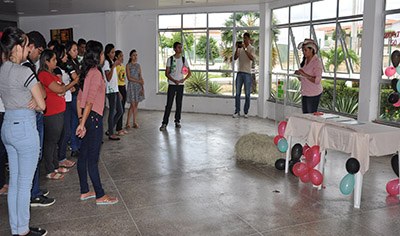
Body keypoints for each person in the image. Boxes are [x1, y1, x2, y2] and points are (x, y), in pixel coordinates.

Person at [0, 26, 48, 236]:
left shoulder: (2, 69)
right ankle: (24, 231)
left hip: (8, 125)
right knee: (24, 184)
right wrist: (34, 103)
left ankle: (16, 228)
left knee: (15, 182)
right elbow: (42, 104)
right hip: (24, 129)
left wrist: (30, 101)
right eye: (25, 45)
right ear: (18, 47)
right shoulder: (24, 71)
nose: (28, 50)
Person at [76, 40, 118, 205]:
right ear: (96, 55)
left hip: (87, 118)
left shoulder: (86, 72)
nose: (103, 56)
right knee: (92, 159)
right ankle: (100, 195)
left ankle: (85, 191)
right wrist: (83, 122)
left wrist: (81, 120)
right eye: (101, 53)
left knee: (84, 157)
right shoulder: (95, 72)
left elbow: (80, 98)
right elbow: (89, 101)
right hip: (93, 119)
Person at [23, 31, 56, 207]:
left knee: (35, 156)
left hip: (31, 114)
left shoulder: (26, 66)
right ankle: (33, 193)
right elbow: (41, 96)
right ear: (30, 47)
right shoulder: (25, 67)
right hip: (30, 116)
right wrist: (39, 96)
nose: (39, 55)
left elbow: (41, 93)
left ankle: (34, 189)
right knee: (33, 156)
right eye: (39, 50)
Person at [38, 49, 68, 180]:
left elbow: (62, 88)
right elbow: (59, 88)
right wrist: (62, 89)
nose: (56, 62)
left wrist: (62, 89)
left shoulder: (52, 73)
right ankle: (49, 169)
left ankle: (55, 165)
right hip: (51, 112)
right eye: (54, 60)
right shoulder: (43, 75)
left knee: (56, 140)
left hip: (59, 111)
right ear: (46, 61)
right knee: (51, 141)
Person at [54, 44, 78, 170]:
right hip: (64, 102)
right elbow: (61, 89)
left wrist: (69, 85)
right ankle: (60, 158)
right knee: (66, 132)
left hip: (67, 100)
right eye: (63, 54)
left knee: (67, 130)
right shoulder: (57, 70)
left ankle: (62, 157)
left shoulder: (65, 67)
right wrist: (72, 84)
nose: (65, 56)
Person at [159, 42, 191, 131]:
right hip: (172, 85)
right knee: (169, 104)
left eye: (181, 47)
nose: (180, 49)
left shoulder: (184, 60)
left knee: (179, 104)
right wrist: (174, 80)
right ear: (174, 49)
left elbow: (189, 73)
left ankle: (177, 121)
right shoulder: (170, 59)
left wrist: (182, 80)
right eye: (178, 47)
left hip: (180, 85)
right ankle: (164, 123)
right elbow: (167, 73)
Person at [295, 38, 323, 114]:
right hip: (305, 92)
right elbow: (302, 79)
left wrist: (303, 73)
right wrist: (299, 74)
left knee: (310, 117)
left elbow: (317, 80)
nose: (304, 52)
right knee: (305, 116)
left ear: (312, 50)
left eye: (305, 50)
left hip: (314, 93)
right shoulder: (305, 61)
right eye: (303, 50)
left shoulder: (317, 62)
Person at [233, 32, 255, 119]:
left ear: (249, 39)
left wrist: (245, 49)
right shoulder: (240, 48)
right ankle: (237, 111)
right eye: (243, 38)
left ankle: (246, 112)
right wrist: (237, 49)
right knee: (237, 93)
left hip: (247, 73)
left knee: (247, 94)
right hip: (239, 72)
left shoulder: (251, 48)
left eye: (246, 38)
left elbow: (252, 58)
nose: (244, 40)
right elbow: (235, 58)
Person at [65, 40, 81, 157]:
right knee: (76, 120)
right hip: (72, 96)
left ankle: (76, 147)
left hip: (77, 94)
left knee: (75, 121)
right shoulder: (69, 63)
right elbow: (76, 78)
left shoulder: (75, 61)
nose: (76, 52)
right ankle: (75, 146)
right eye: (74, 50)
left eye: (76, 50)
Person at [103, 43, 123, 140]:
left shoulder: (112, 62)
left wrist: (118, 91)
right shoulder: (107, 63)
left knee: (120, 111)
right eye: (112, 52)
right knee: (112, 111)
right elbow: (109, 78)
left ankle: (110, 129)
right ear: (107, 53)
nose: (114, 54)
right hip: (110, 90)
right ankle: (111, 133)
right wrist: (113, 66)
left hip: (115, 90)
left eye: (114, 52)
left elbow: (115, 80)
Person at [125, 49, 145, 129]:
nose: (135, 57)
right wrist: (138, 81)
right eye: (134, 55)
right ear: (130, 56)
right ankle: (129, 122)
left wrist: (142, 87)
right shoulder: (128, 65)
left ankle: (133, 122)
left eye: (136, 55)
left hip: (138, 87)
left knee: (135, 105)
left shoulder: (138, 65)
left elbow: (140, 76)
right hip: (132, 87)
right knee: (133, 105)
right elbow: (129, 78)